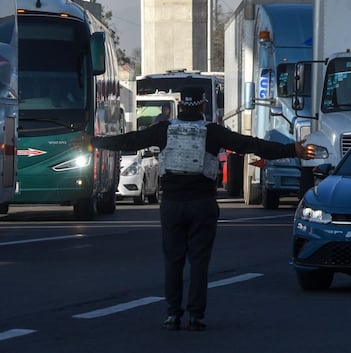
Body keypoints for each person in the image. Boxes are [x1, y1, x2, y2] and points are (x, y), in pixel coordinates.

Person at [91, 86, 313, 332]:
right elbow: (249, 144)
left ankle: (172, 314)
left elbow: (129, 140)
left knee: (173, 261)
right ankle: (195, 316)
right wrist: (291, 149)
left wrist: (94, 142)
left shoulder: (163, 129)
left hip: (172, 204)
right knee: (198, 261)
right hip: (202, 204)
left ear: (180, 106)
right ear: (203, 106)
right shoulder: (212, 132)